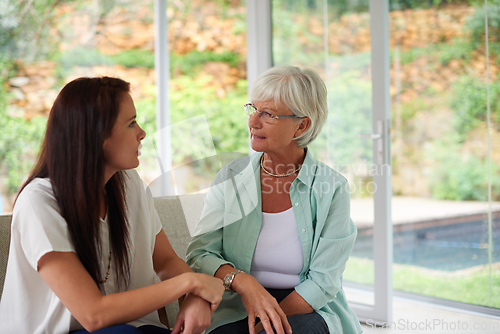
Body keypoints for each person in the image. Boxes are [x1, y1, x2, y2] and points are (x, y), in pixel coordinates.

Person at [0, 77, 224, 334]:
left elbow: (165, 261)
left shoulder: (130, 184)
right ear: (96, 137)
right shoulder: (39, 202)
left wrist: (195, 298)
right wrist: (189, 283)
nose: (142, 133)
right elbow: (93, 315)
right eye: (131, 124)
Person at [186, 66, 363, 334]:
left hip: (307, 308)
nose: (253, 122)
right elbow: (201, 253)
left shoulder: (332, 188)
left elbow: (324, 281)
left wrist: (263, 324)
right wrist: (244, 283)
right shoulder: (231, 177)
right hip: (239, 305)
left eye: (267, 114)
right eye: (253, 109)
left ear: (301, 125)